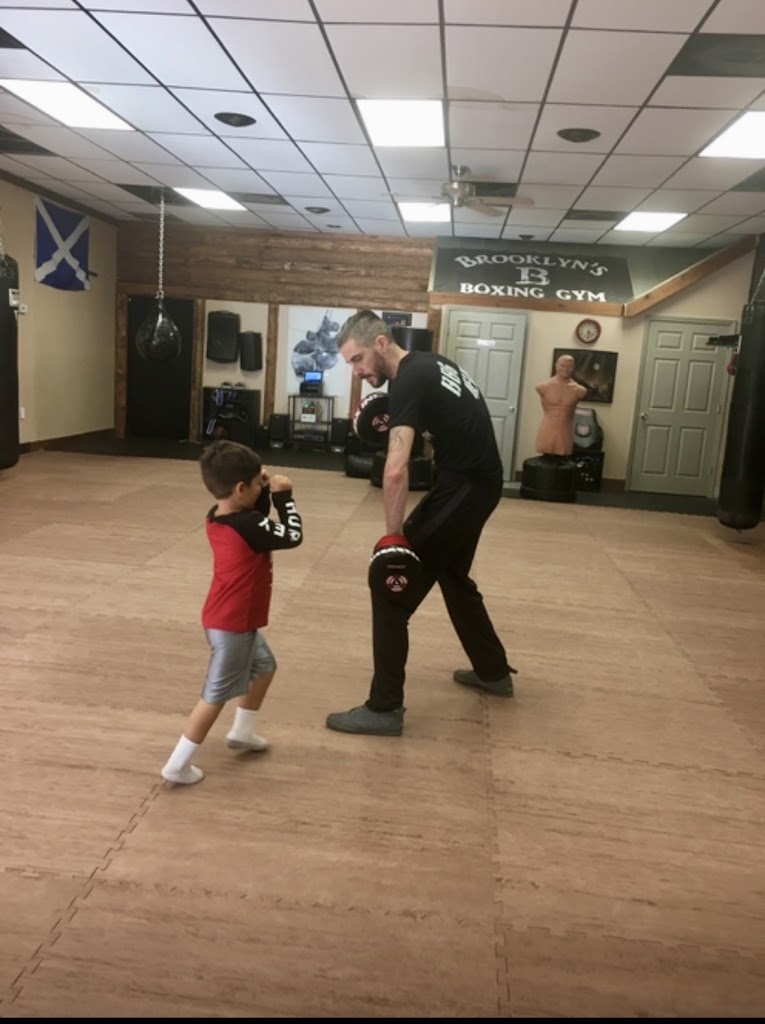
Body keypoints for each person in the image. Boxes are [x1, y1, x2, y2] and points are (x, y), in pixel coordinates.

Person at [325, 310, 515, 738]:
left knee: (391, 584)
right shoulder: (431, 364)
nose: (356, 372)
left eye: (357, 360)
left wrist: (394, 541)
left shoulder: (408, 379)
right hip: (477, 482)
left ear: (380, 343)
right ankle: (493, 671)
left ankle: (384, 708)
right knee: (452, 575)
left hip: (465, 486)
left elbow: (395, 470)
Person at [161, 440, 303, 784]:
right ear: (240, 489)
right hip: (233, 625)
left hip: (231, 619)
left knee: (265, 667)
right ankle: (177, 765)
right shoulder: (249, 526)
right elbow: (291, 535)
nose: (260, 488)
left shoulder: (219, 515)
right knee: (214, 697)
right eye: (255, 484)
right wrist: (284, 496)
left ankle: (242, 731)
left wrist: (261, 487)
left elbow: (257, 520)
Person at [534, 354, 587, 457]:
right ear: (556, 366)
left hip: (565, 433)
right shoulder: (543, 387)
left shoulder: (579, 390)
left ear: (573, 368)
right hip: (547, 431)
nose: (566, 369)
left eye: (569, 366)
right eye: (563, 365)